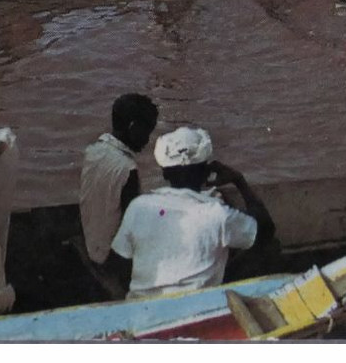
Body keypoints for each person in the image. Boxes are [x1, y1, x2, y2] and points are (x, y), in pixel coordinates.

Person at [109, 126, 276, 299]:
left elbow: (120, 265)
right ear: (206, 172)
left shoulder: (139, 206)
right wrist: (239, 181)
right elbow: (266, 231)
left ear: (165, 173)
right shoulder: (218, 214)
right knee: (270, 248)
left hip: (142, 306)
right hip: (197, 304)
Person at [79, 93, 160, 295]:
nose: (148, 140)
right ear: (133, 128)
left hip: (92, 243)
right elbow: (131, 227)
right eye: (147, 132)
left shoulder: (93, 150)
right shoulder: (127, 169)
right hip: (112, 258)